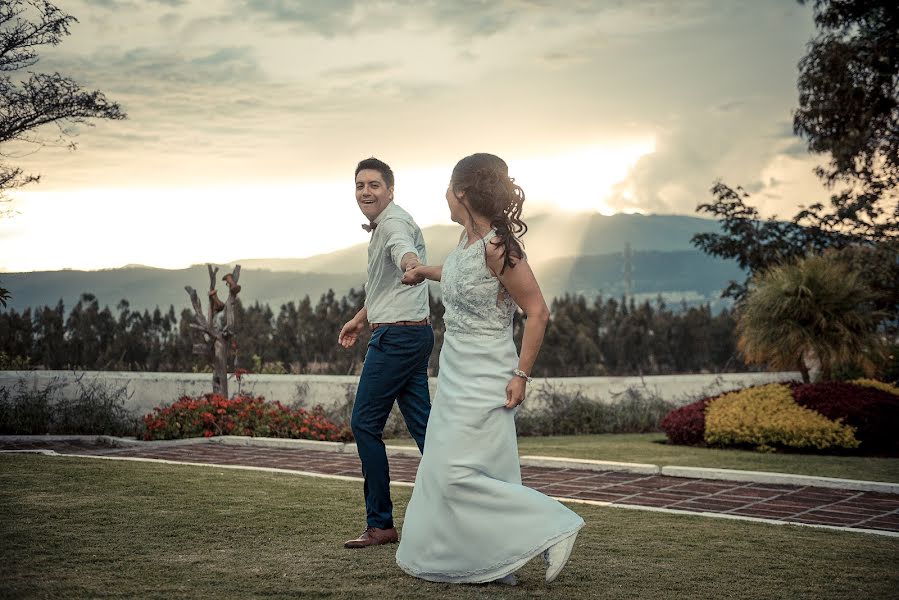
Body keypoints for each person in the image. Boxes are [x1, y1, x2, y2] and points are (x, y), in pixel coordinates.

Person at [395, 153, 584, 585]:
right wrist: (424, 271)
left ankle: (553, 524)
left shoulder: (499, 246)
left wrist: (521, 375)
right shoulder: (466, 243)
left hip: (489, 373)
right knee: (465, 468)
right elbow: (462, 275)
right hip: (455, 370)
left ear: (461, 192)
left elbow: (537, 311)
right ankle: (492, 562)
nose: (444, 194)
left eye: (447, 187)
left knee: (454, 473)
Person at [338, 157, 434, 549]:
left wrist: (414, 265)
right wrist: (361, 318)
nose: (366, 191)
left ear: (390, 190)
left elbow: (403, 252)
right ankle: (465, 505)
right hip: (413, 334)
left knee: (364, 424)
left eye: (374, 185)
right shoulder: (391, 219)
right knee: (428, 432)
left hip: (395, 340)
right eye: (360, 185)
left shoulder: (393, 224)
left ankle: (380, 524)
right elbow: (386, 287)